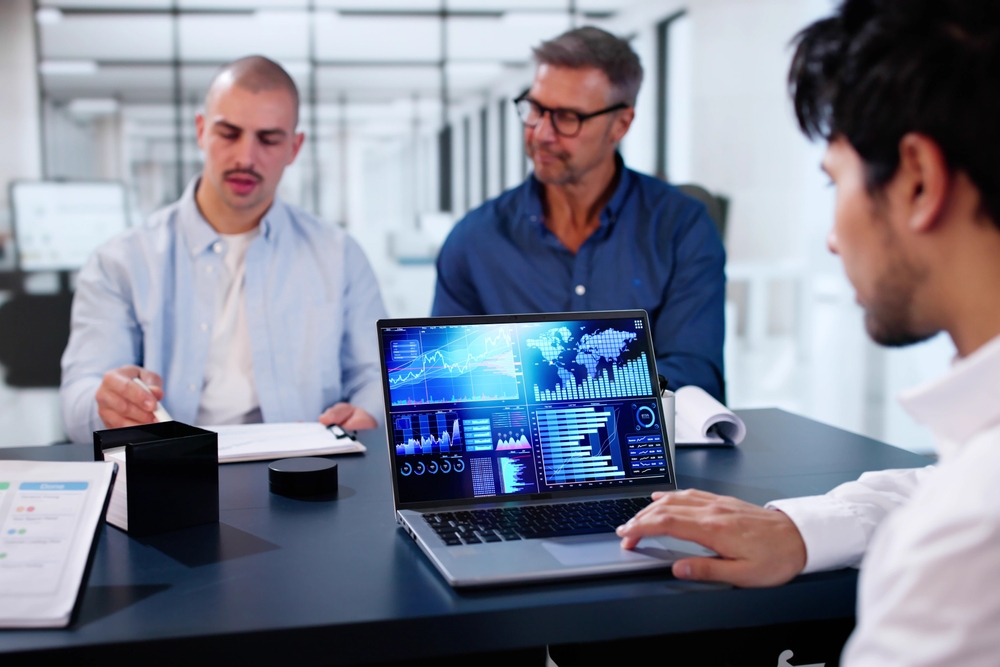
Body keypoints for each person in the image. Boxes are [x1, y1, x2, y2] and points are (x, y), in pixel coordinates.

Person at [606, 1, 1000, 664]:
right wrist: (802, 527)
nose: (831, 238)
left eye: (834, 181)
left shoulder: (957, 550)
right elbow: (942, 482)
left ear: (919, 181)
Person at [60, 56, 386, 443]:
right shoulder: (121, 262)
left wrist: (367, 412)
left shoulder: (340, 256)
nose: (245, 158)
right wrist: (106, 402)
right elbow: (80, 394)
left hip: (307, 475)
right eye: (229, 134)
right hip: (171, 473)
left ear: (294, 148)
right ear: (201, 131)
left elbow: (376, 376)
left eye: (268, 139)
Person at [432, 27, 727, 401]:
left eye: (567, 117)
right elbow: (447, 383)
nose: (541, 133)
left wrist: (544, 389)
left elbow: (694, 376)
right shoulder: (474, 241)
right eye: (536, 109)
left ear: (620, 124)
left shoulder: (682, 228)